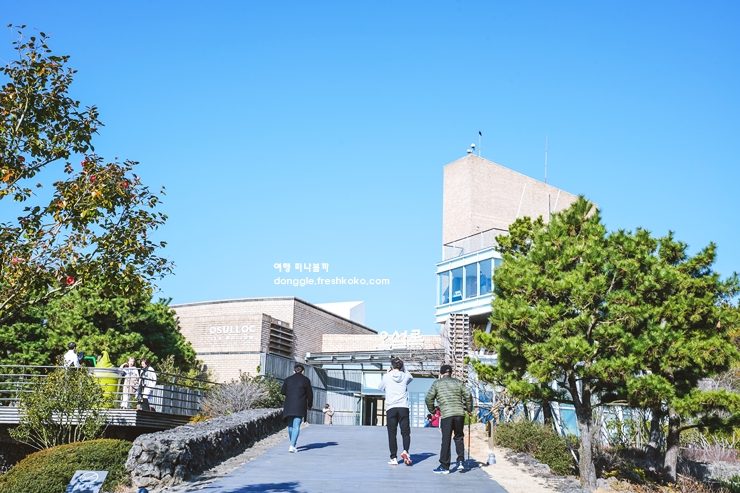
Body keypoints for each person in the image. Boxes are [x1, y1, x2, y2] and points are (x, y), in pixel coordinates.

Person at [425, 364, 473, 475]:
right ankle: (460, 461)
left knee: (446, 439)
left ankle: (444, 466)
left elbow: (428, 398)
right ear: (451, 373)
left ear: (441, 374)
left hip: (447, 415)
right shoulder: (458, 382)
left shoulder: (437, 383)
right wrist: (469, 409)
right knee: (459, 437)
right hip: (459, 414)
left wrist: (433, 411)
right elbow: (468, 394)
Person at [378, 357, 413, 466]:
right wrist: (404, 367)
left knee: (392, 434)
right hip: (403, 407)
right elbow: (411, 377)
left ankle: (393, 458)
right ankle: (405, 451)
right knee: (405, 432)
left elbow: (380, 387)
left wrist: (387, 373)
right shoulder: (405, 376)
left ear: (392, 366)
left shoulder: (387, 377)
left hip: (391, 408)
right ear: (401, 366)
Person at [280, 364, 313, 453]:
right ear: (303, 371)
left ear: (294, 371)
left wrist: (290, 394)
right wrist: (309, 405)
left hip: (289, 404)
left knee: (290, 425)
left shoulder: (288, 379)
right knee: (296, 425)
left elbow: (282, 391)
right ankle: (292, 445)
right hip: (300, 405)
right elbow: (310, 394)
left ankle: (292, 443)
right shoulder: (306, 380)